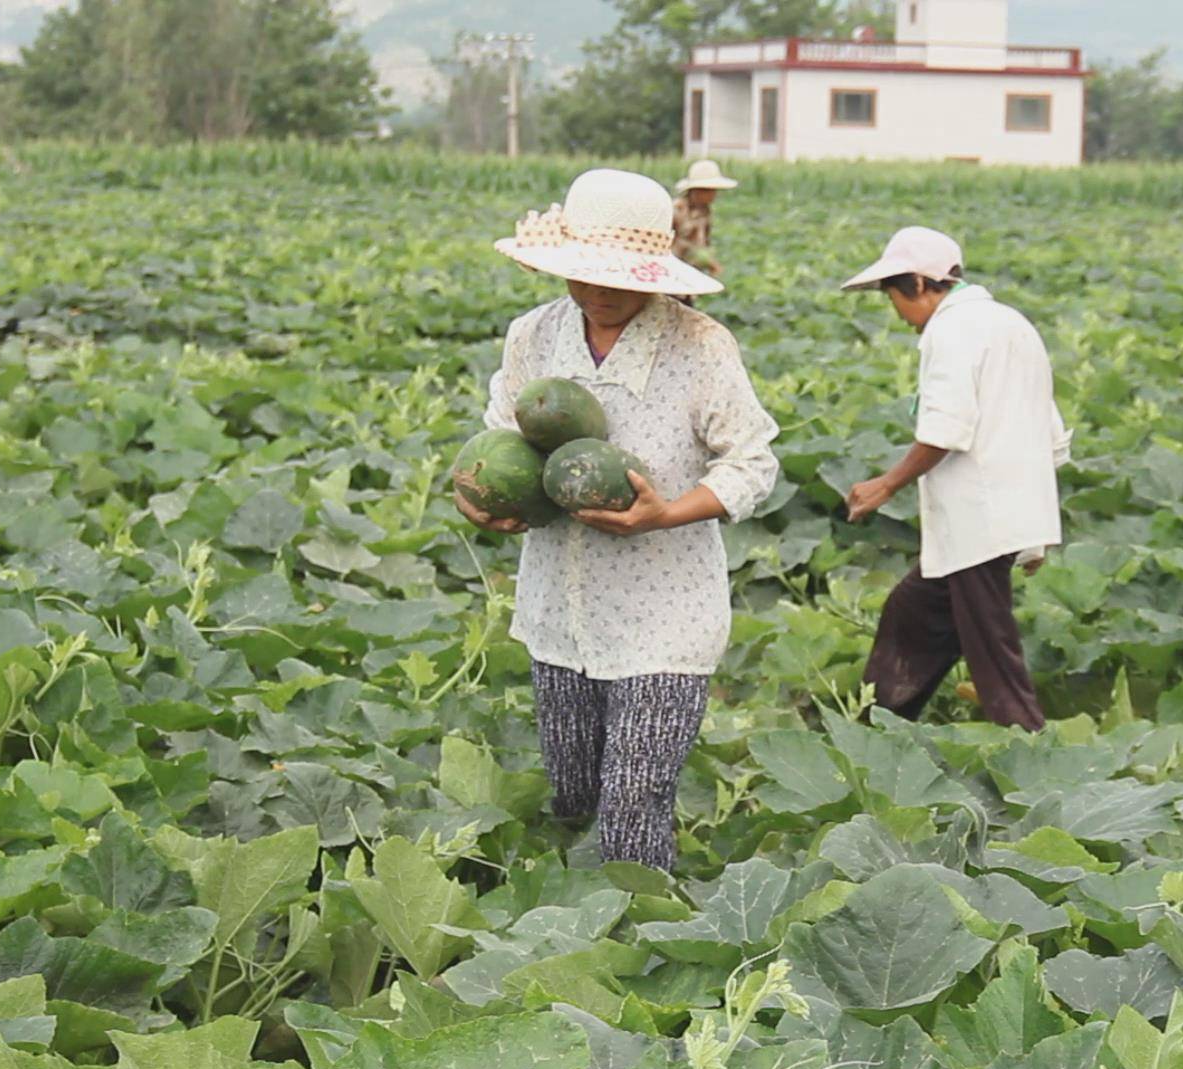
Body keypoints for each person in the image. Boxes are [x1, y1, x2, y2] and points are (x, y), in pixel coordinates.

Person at [455, 168, 779, 871]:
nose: (599, 291)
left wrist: (665, 514)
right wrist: (481, 502)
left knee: (633, 804)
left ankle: (638, 948)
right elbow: (496, 443)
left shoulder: (701, 345)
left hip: (666, 613)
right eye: (584, 275)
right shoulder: (534, 337)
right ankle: (574, 933)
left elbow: (754, 464)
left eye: (619, 278)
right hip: (560, 608)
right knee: (573, 797)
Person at [841, 227, 1071, 733]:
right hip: (994, 519)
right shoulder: (1010, 324)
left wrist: (887, 484)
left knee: (994, 658)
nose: (900, 316)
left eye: (896, 299)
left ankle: (1032, 755)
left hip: (978, 522)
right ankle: (872, 733)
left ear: (921, 284)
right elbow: (1050, 433)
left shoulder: (950, 332)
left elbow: (946, 429)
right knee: (911, 615)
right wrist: (1029, 529)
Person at [671, 160, 737, 280]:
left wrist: (708, 260)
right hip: (673, 270)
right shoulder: (677, 210)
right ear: (697, 190)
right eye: (711, 190)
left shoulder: (705, 211)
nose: (714, 195)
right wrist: (710, 262)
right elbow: (676, 243)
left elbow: (702, 243)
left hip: (691, 272)